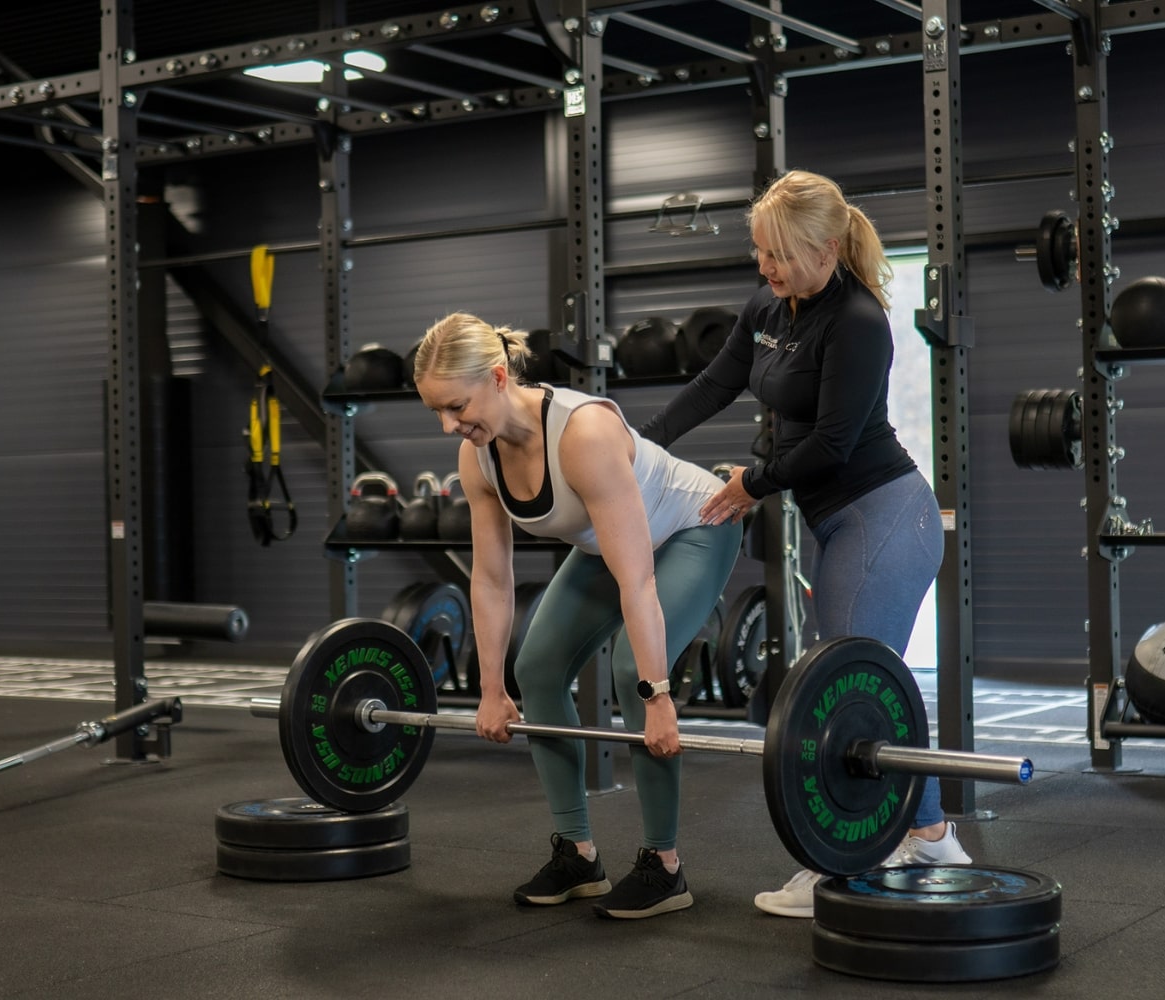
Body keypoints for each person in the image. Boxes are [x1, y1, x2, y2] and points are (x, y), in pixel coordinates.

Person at [638, 169, 968, 919]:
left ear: (824, 249)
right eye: (760, 252)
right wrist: (635, 444)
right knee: (865, 680)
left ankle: (846, 862)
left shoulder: (856, 321)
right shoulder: (769, 304)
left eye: (777, 254)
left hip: (885, 515)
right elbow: (716, 381)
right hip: (843, 521)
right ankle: (930, 832)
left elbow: (831, 441)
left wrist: (750, 482)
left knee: (843, 690)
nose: (764, 266)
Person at [412, 311, 743, 920]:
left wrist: (659, 696)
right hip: (609, 543)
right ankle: (578, 855)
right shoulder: (476, 457)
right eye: (436, 410)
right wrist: (489, 689)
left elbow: (639, 580)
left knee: (630, 672)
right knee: (535, 668)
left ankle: (664, 865)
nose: (448, 425)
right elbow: (489, 578)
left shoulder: (581, 433)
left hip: (695, 528)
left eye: (456, 406)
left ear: (497, 375)